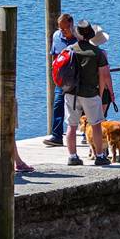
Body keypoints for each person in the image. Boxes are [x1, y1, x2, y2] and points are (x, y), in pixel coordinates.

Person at [0, 30, 33, 174]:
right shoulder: (0, 58)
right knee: (5, 131)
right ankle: (9, 163)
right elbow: (5, 80)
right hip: (3, 98)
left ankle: (13, 161)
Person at [63, 20, 113, 166]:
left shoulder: (69, 50)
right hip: (90, 93)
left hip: (70, 92)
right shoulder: (97, 53)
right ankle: (99, 156)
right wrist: (104, 92)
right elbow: (104, 75)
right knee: (96, 124)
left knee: (71, 125)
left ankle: (72, 156)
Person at [44, 13, 77, 145]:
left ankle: (88, 131)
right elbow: (54, 55)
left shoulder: (79, 38)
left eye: (65, 28)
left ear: (71, 25)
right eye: (60, 28)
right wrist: (54, 73)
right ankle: (57, 135)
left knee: (79, 106)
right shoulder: (56, 36)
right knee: (58, 104)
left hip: (77, 77)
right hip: (62, 78)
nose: (62, 31)